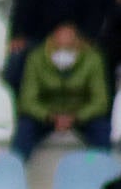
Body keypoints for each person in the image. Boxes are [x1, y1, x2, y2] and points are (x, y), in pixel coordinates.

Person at [11, 22, 110, 162]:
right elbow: (28, 100)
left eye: (69, 47)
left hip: (80, 114)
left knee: (101, 128)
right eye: (59, 46)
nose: (63, 50)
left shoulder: (93, 59)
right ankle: (14, 171)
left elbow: (100, 101)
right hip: (47, 114)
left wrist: (77, 116)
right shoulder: (36, 58)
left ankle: (103, 172)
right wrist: (50, 116)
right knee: (25, 128)